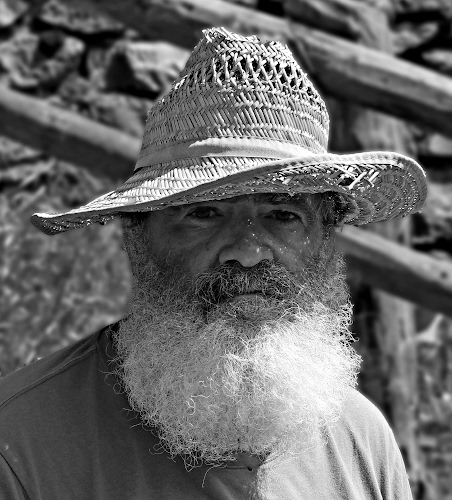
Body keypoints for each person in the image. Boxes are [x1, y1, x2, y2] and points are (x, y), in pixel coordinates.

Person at [0, 27, 426, 499]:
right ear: (136, 236)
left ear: (324, 241)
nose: (248, 251)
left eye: (283, 215)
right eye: (204, 213)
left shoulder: (362, 440)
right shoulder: (20, 445)